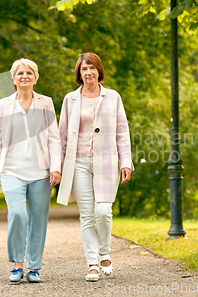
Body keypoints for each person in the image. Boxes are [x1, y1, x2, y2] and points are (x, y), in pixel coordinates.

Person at [57, 52, 134, 282]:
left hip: (107, 161)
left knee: (103, 211)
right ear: (79, 74)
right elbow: (61, 136)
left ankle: (105, 253)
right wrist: (58, 167)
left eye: (91, 67)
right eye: (83, 69)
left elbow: (122, 131)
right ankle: (92, 263)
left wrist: (126, 161)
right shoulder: (70, 99)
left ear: (99, 70)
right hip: (78, 162)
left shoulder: (113, 97)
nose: (88, 72)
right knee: (87, 216)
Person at [0, 58, 61, 283]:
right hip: (11, 170)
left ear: (36, 78)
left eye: (29, 73)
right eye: (20, 73)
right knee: (18, 214)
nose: (25, 76)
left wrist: (56, 167)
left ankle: (33, 268)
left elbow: (54, 138)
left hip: (41, 172)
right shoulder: (3, 104)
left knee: (38, 219)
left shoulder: (46, 102)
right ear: (13, 78)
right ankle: (17, 265)